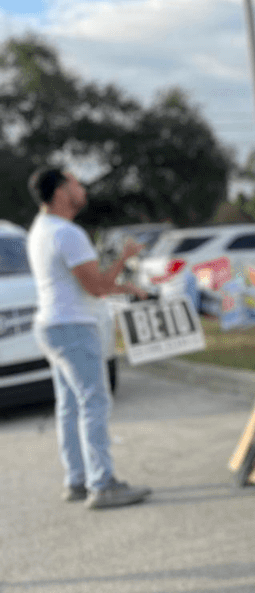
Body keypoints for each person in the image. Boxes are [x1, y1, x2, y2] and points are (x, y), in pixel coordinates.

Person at [26, 167, 152, 510]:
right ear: (62, 192)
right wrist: (123, 261)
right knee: (94, 403)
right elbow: (95, 287)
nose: (82, 188)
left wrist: (122, 281)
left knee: (69, 406)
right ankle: (103, 485)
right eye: (76, 183)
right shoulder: (68, 233)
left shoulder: (41, 229)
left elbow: (87, 284)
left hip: (52, 325)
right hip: (72, 326)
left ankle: (77, 480)